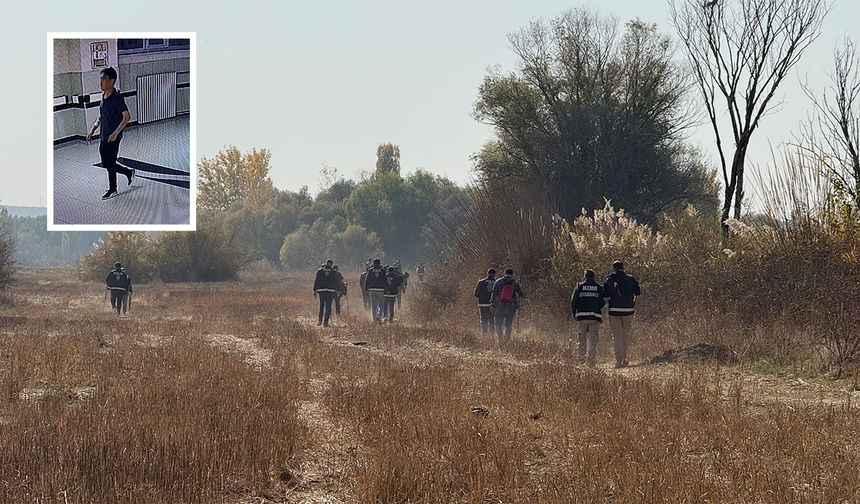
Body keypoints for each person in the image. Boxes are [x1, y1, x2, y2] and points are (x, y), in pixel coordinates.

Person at [86, 67, 134, 200]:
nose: (101, 82)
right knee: (106, 163)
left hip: (113, 137)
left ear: (111, 81)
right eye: (101, 79)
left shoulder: (117, 98)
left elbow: (127, 117)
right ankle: (128, 172)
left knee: (110, 162)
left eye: (104, 79)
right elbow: (101, 116)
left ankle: (113, 189)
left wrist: (115, 133)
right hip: (103, 136)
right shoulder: (103, 97)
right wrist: (92, 130)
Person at [602, 261, 641, 368]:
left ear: (613, 269)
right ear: (623, 268)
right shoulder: (631, 279)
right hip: (628, 311)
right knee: (625, 335)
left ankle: (618, 360)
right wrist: (633, 305)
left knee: (616, 335)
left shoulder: (609, 280)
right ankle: (624, 357)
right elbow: (638, 295)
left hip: (614, 311)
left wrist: (613, 303)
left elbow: (605, 298)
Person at [570, 269, 605, 365]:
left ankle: (580, 359)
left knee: (581, 339)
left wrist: (574, 313)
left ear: (585, 277)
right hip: (595, 316)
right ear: (594, 277)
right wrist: (597, 307)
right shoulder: (599, 287)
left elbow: (573, 301)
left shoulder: (579, 286)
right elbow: (602, 301)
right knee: (593, 339)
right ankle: (591, 360)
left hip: (581, 316)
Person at [490, 268, 525, 341]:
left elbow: (494, 294)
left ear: (504, 273)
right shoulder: (515, 283)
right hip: (511, 307)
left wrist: (492, 304)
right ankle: (507, 339)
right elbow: (521, 294)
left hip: (500, 306)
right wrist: (520, 287)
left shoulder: (498, 282)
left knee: (497, 324)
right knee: (508, 324)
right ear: (512, 274)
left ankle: (500, 336)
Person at [313, 259, 338, 327]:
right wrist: (338, 290)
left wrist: (315, 290)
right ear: (331, 264)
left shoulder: (320, 271)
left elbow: (317, 280)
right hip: (330, 290)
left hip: (321, 290)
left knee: (321, 306)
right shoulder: (333, 272)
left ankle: (320, 321)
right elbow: (336, 282)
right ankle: (325, 322)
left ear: (326, 263)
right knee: (328, 307)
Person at [474, 268, 497, 334]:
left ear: (487, 273)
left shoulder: (481, 282)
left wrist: (482, 297)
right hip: (492, 305)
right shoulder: (496, 282)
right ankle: (491, 335)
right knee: (492, 320)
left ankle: (484, 334)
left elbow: (476, 294)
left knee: (484, 320)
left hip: (483, 304)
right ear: (494, 274)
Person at [365, 259, 388, 323]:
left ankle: (374, 320)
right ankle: (379, 315)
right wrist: (386, 288)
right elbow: (385, 280)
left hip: (372, 289)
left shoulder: (370, 270)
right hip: (381, 289)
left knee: (374, 305)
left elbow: (367, 280)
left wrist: (366, 289)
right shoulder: (383, 271)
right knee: (381, 304)